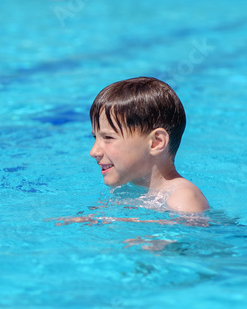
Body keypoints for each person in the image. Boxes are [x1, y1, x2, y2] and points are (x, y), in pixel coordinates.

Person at [88, 77, 209, 213]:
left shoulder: (183, 197)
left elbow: (188, 233)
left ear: (155, 142)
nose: (93, 152)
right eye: (95, 137)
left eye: (108, 137)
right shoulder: (126, 188)